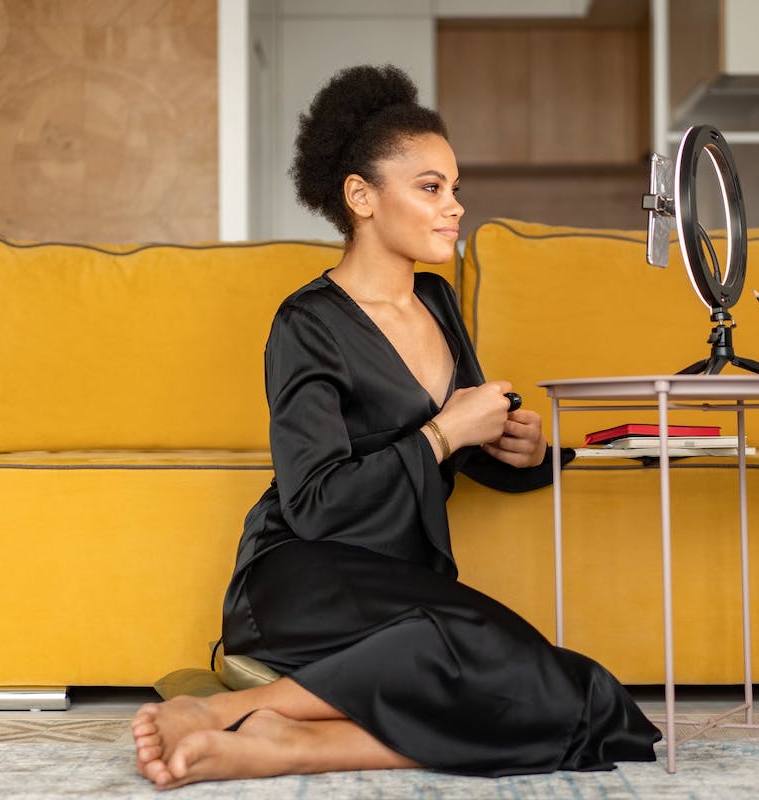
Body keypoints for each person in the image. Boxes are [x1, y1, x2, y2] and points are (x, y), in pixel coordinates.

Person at [131, 64, 660, 790]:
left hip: (404, 586)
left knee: (592, 701)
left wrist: (525, 450)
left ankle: (288, 740)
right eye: (431, 188)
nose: (455, 208)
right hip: (301, 574)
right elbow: (315, 502)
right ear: (361, 196)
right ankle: (231, 714)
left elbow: (469, 451)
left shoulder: (440, 304)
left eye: (455, 188)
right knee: (476, 649)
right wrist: (443, 433)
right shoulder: (306, 324)